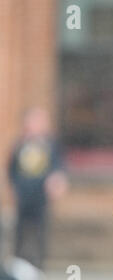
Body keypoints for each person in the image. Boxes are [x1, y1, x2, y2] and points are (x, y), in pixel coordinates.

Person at [8, 107, 68, 271]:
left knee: (40, 230)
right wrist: (13, 188)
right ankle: (18, 262)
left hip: (40, 196)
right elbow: (11, 169)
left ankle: (39, 265)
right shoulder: (20, 144)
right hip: (23, 194)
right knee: (21, 229)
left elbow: (59, 166)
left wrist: (58, 180)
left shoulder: (50, 144)